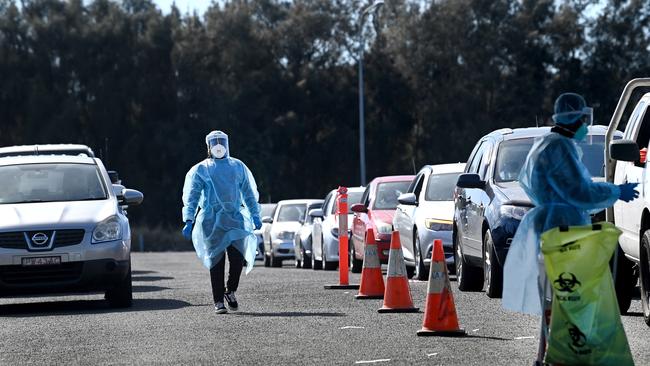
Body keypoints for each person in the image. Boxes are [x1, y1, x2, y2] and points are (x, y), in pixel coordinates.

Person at [502, 93, 639, 315]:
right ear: (573, 118)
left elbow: (531, 183)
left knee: (553, 300)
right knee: (569, 298)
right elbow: (580, 192)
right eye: (582, 119)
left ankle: (549, 347)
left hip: (547, 226)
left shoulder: (545, 144)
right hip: (564, 229)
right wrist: (616, 191)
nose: (585, 125)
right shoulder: (560, 148)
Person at [181, 130, 263, 314]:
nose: (219, 145)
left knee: (237, 259)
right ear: (208, 146)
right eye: (214, 142)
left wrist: (255, 214)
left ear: (227, 144)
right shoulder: (202, 169)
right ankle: (218, 301)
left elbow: (248, 193)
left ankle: (230, 290)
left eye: (222, 141)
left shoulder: (237, 166)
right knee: (216, 262)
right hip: (212, 220)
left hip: (234, 219)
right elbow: (193, 196)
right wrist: (189, 218)